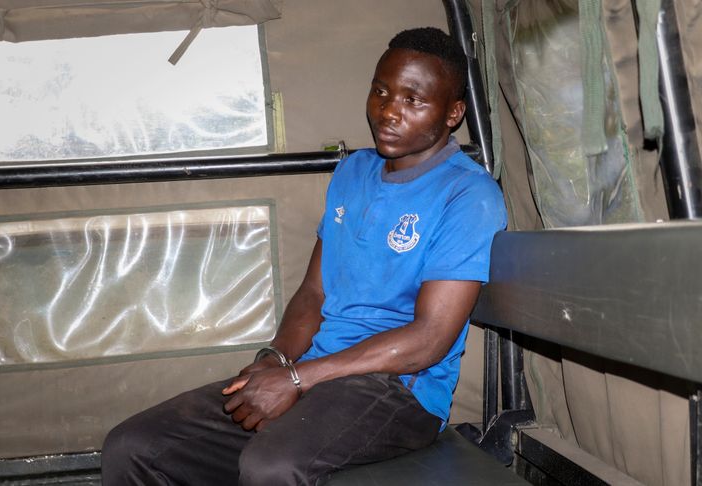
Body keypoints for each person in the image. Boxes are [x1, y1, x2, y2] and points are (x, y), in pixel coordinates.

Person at [101, 26, 507, 485]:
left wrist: (297, 380)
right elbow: (314, 292)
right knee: (133, 448)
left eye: (414, 100)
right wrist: (277, 359)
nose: (389, 111)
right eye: (381, 91)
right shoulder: (354, 171)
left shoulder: (468, 194)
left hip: (400, 390)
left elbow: (429, 339)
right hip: (318, 371)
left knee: (270, 465)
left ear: (454, 113)